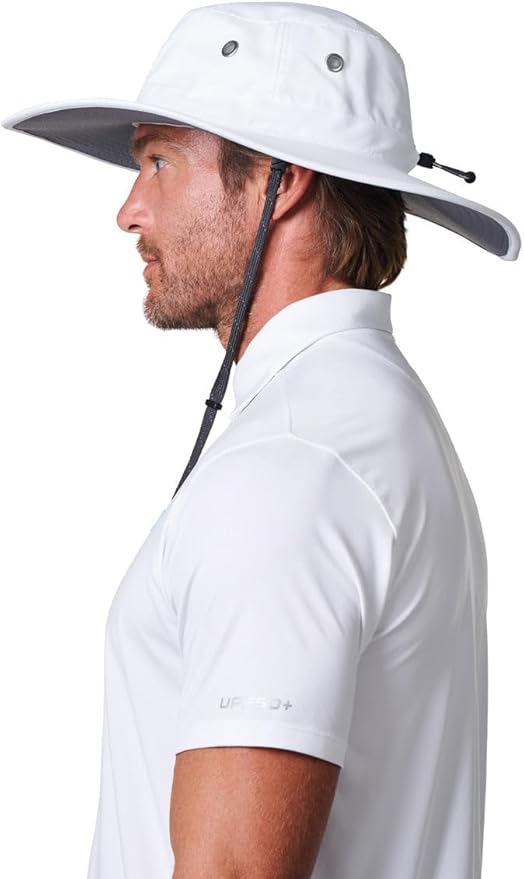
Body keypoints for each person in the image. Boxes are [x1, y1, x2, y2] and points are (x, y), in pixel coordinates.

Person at [2, 4, 520, 878]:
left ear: (283, 182)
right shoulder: (371, 422)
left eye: (160, 162)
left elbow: (233, 869)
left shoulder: (296, 461)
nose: (129, 210)